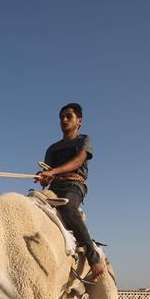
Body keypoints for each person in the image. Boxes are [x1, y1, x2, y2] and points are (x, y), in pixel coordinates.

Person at [35, 102, 106, 281]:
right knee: (30, 205)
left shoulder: (84, 140)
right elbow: (47, 174)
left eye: (68, 116)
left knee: (68, 210)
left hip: (74, 186)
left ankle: (93, 257)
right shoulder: (52, 148)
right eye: (61, 118)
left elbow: (77, 162)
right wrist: (43, 177)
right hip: (53, 188)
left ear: (79, 121)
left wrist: (52, 172)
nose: (64, 120)